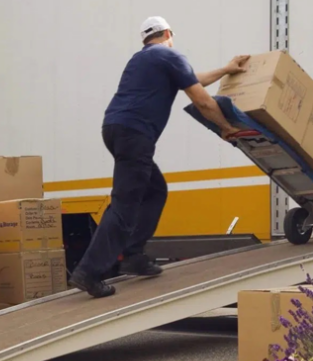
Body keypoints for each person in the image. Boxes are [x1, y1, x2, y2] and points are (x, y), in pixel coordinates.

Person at [69, 16, 249, 298]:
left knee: (154, 190)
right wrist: (226, 128)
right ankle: (89, 272)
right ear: (167, 33)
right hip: (135, 134)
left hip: (115, 129)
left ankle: (134, 255)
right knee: (124, 206)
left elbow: (193, 79)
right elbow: (202, 100)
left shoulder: (143, 59)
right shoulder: (169, 55)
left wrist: (226, 69)